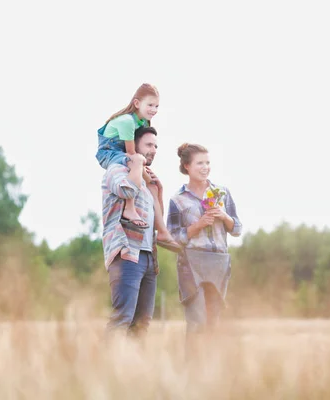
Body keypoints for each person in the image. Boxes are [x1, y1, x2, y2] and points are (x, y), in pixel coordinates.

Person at [166, 143, 242, 350]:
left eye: (207, 163)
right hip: (191, 263)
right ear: (187, 166)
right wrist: (197, 225)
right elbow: (172, 238)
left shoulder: (222, 193)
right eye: (200, 163)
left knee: (213, 323)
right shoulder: (177, 200)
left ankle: (211, 371)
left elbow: (237, 229)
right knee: (197, 321)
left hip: (219, 261)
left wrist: (224, 216)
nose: (205, 167)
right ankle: (192, 371)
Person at [96, 83, 180, 253]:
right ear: (136, 103)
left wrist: (150, 181)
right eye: (150, 105)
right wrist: (144, 174)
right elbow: (132, 153)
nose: (154, 109)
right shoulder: (127, 121)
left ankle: (162, 232)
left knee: (149, 181)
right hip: (109, 152)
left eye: (156, 106)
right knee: (137, 161)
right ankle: (129, 208)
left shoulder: (141, 121)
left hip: (122, 153)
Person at [101, 126, 166, 338]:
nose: (154, 149)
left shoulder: (146, 182)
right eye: (148, 145)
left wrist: (157, 189)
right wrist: (136, 163)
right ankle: (102, 367)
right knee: (123, 318)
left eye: (156, 146)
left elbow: (157, 222)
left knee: (142, 323)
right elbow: (127, 190)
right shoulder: (115, 170)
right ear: (133, 145)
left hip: (148, 257)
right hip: (127, 252)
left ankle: (133, 369)